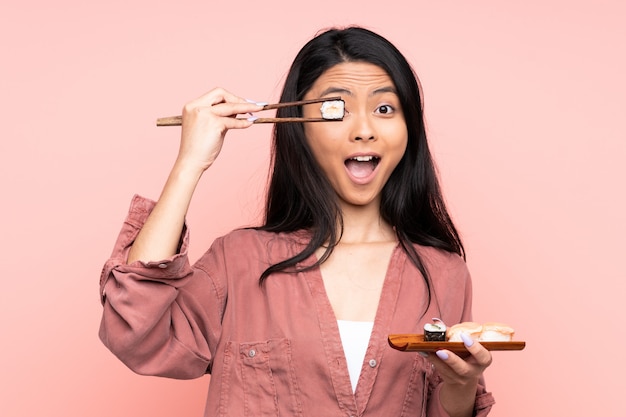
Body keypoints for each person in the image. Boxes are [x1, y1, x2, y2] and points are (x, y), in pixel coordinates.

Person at [99, 26, 495, 417]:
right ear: (300, 128)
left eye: (385, 108)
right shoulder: (238, 261)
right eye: (335, 108)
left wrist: (460, 385)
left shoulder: (444, 274)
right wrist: (189, 163)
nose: (364, 131)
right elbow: (136, 332)